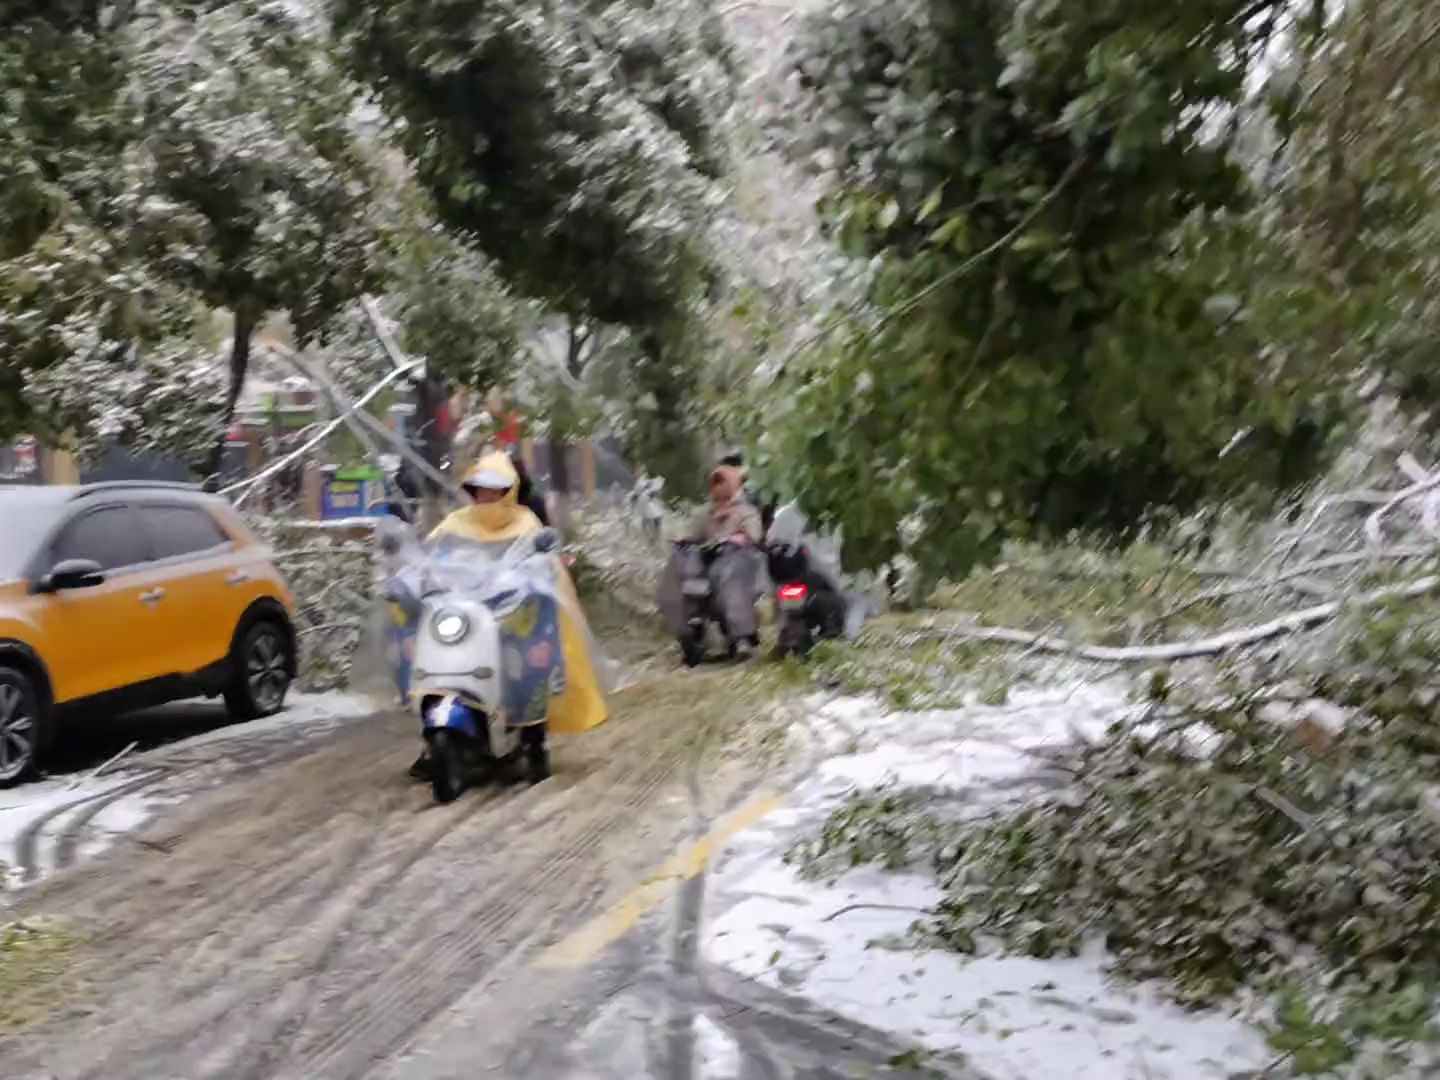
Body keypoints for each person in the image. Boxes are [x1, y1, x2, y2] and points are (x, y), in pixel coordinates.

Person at [409, 450, 608, 781]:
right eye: (480, 488)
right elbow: (431, 557)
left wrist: (533, 582)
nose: (487, 495)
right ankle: (439, 741)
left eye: (494, 488)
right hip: (466, 613)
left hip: (510, 617)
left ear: (509, 489)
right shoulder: (456, 522)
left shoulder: (525, 522)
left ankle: (534, 743)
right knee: (436, 662)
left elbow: (541, 566)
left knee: (527, 673)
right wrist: (415, 574)